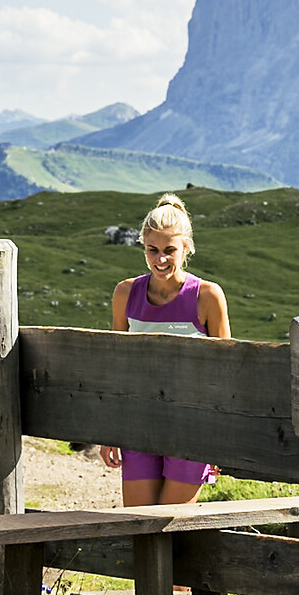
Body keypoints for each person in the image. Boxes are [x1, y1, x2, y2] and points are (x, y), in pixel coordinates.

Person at [98, 194, 231, 506]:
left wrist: (222, 441)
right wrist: (109, 432)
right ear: (143, 246)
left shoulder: (208, 296)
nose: (160, 259)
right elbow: (118, 368)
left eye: (169, 250)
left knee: (173, 527)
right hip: (138, 423)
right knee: (139, 525)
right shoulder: (125, 293)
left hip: (193, 428)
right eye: (152, 250)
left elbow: (226, 375)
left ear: (186, 247)